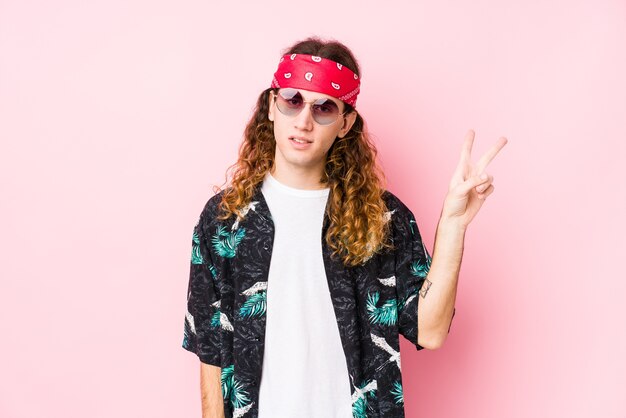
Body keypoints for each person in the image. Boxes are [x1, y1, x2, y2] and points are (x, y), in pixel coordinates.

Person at [182, 36, 507, 418]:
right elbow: (211, 351)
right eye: (292, 100)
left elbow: (431, 332)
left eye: (324, 108)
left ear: (345, 123)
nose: (304, 121)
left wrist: (452, 226)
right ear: (271, 106)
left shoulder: (381, 218)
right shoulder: (224, 218)